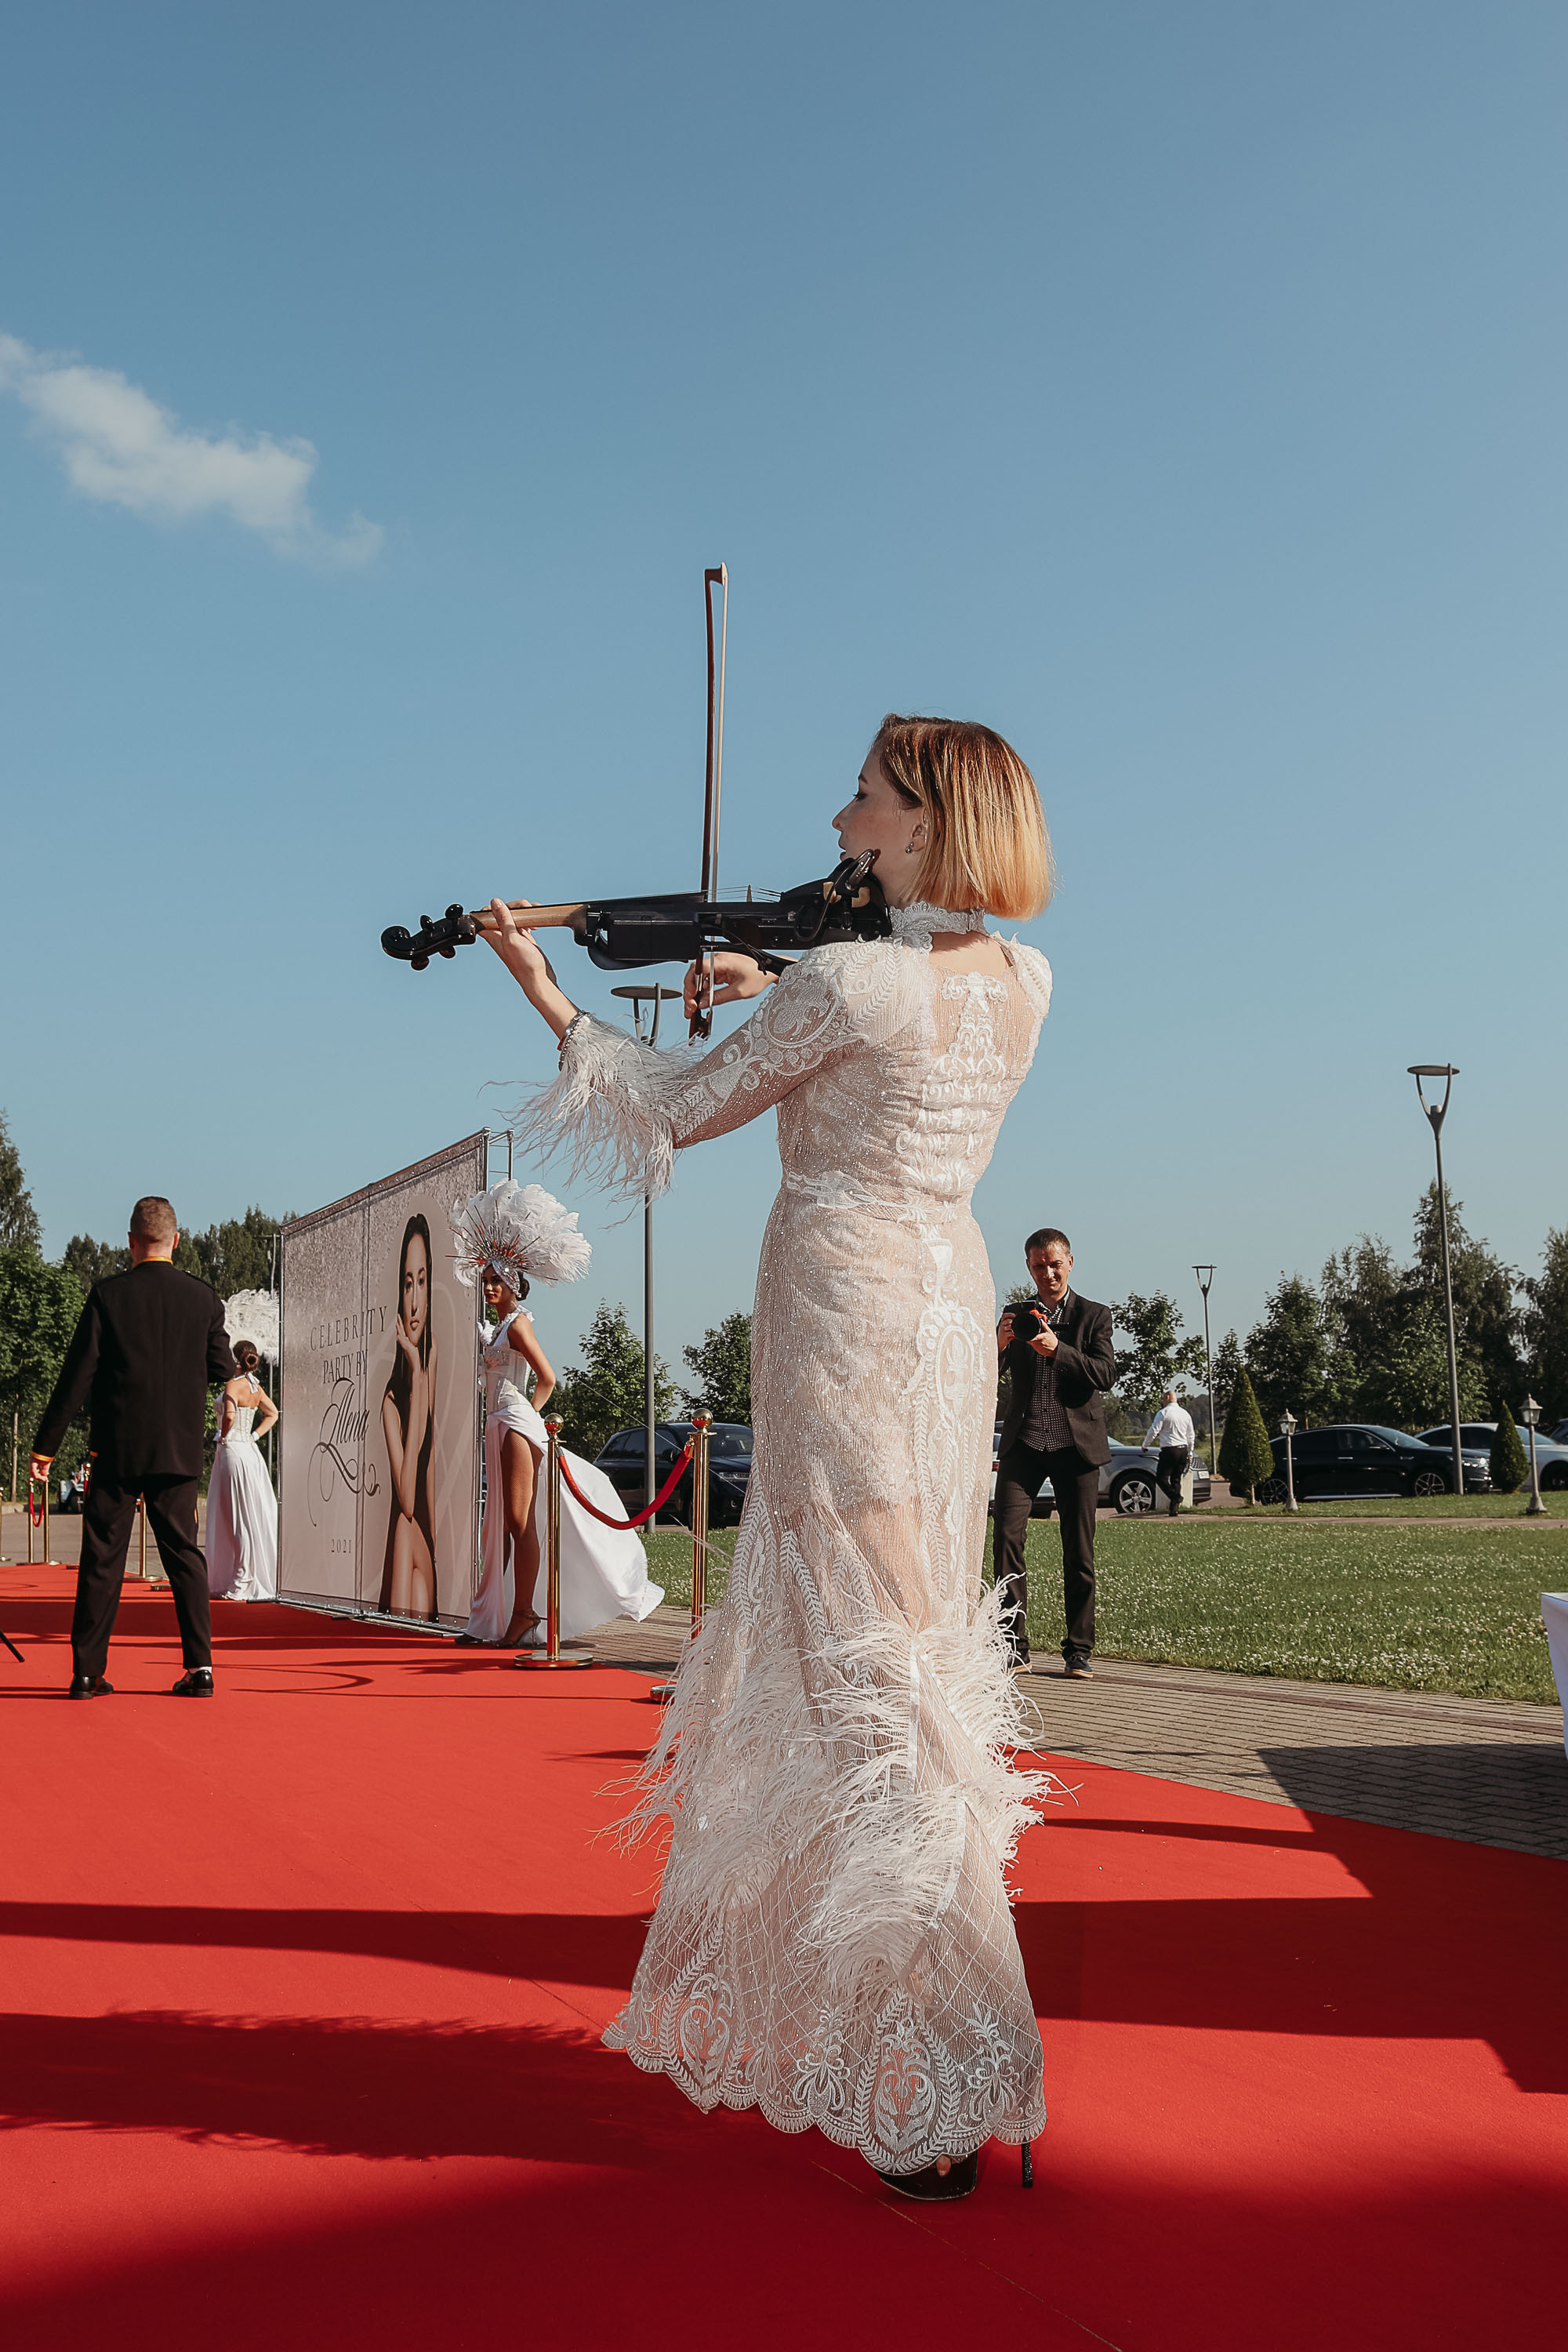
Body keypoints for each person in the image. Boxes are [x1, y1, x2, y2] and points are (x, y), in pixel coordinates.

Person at [488, 713, 1056, 2202]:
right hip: (943, 1303)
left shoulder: (853, 981)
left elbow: (676, 1115)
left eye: (867, 793)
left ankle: (946, 2055)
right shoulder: (1021, 979)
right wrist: (775, 982)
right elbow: (880, 1020)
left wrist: (548, 990)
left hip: (844, 1304)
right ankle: (927, 2037)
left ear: (924, 824)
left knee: (864, 1666)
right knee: (910, 1642)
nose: (841, 808)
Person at [31, 1195, 237, 1698]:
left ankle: (87, 1673)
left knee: (102, 1557)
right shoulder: (204, 1300)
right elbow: (222, 1368)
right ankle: (201, 1668)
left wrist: (45, 1449)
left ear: (130, 1242)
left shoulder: (108, 1295)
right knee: (185, 1555)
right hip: (177, 1451)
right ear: (177, 1240)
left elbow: (76, 1377)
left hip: (117, 1450)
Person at [448, 1178, 663, 1647]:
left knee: (518, 1521)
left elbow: (547, 1377)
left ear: (512, 1284)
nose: (488, 1287)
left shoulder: (519, 1324)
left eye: (495, 1281)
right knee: (501, 1523)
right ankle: (497, 1614)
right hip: (499, 1423)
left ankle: (522, 1613)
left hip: (512, 1423)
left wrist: (528, 1414)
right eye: (485, 1280)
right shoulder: (498, 1326)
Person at [993, 1229, 1116, 1680]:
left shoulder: (1094, 1316)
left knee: (1078, 1550)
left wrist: (1058, 1350)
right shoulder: (1015, 1314)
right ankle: (1012, 1647)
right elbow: (982, 1376)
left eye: (1055, 1264)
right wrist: (1000, 1345)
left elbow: (1105, 1374)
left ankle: (1078, 1650)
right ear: (1029, 1268)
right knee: (1006, 1540)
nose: (1048, 1273)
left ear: (1070, 1262)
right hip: (1024, 1446)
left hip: (1074, 1449)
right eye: (1039, 1266)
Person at [379, 1213, 439, 1617]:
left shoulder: (433, 1359)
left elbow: (416, 1510)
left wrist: (420, 1373)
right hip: (407, 1543)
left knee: (405, 1527)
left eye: (421, 1281)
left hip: (427, 1549)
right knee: (402, 1523)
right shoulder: (389, 1399)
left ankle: (392, 1634)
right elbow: (407, 1497)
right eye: (406, 1284)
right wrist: (414, 1380)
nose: (414, 1301)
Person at [206, 1339, 280, 1599]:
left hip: (232, 1450)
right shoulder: (256, 1388)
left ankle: (242, 1577)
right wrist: (255, 1437)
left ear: (236, 1359)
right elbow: (273, 1413)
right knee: (248, 1513)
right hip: (249, 1451)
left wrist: (223, 1435)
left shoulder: (232, 1385)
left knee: (235, 1515)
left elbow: (228, 1416)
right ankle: (244, 1573)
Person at [1145, 1385, 1197, 1517]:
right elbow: (1191, 1436)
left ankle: (1175, 1496)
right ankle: (1174, 1510)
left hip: (1170, 1450)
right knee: (1176, 1479)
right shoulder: (1185, 1414)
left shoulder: (1163, 1413)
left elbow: (1154, 1430)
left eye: (1163, 1399)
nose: (1162, 1402)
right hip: (1183, 1450)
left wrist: (1145, 1445)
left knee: (1161, 1478)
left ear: (1168, 1398)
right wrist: (1190, 1452)